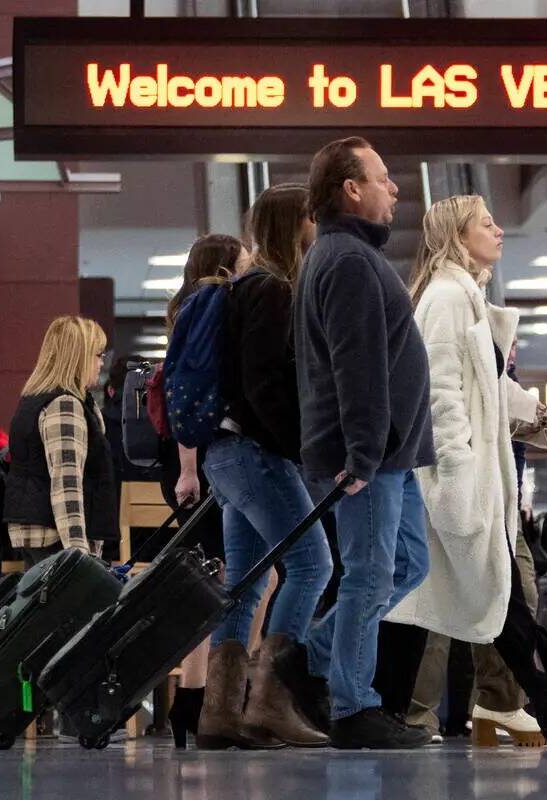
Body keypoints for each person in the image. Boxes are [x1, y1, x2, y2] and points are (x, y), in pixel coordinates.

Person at [384, 194, 547, 748]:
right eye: (486, 223)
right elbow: (439, 394)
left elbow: (486, 387)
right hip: (454, 479)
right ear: (458, 235)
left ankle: (542, 694)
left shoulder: (465, 295)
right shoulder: (445, 298)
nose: (499, 230)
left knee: (481, 595)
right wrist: (457, 476)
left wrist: (537, 419)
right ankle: (543, 694)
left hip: (469, 480)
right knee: (474, 595)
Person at [292, 137, 433, 749]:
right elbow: (357, 366)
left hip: (387, 454)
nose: (394, 188)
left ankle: (311, 658)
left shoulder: (347, 255)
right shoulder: (347, 260)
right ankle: (353, 706)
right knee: (370, 574)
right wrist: (363, 452)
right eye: (382, 177)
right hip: (370, 456)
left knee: (407, 564)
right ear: (351, 189)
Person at [195, 184, 333, 750]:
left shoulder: (244, 288)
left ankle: (220, 712)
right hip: (255, 452)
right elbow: (263, 384)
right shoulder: (272, 290)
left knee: (246, 581)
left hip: (225, 453)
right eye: (312, 218)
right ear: (293, 224)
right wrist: (302, 447)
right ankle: (272, 703)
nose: (318, 227)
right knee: (312, 566)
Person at [160, 234, 247, 747]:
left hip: (197, 462)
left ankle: (197, 698)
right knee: (224, 580)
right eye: (242, 259)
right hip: (199, 464)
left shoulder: (188, 312)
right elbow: (188, 397)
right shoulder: (205, 312)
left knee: (222, 580)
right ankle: (202, 695)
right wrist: (189, 468)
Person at [5, 316, 118, 566]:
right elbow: (66, 483)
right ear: (78, 356)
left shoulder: (35, 400)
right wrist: (78, 552)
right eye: (97, 354)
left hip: (41, 532)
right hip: (58, 537)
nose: (101, 363)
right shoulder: (65, 405)